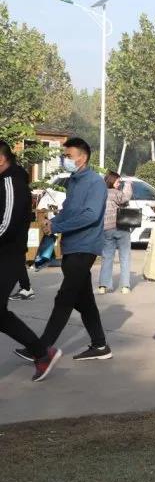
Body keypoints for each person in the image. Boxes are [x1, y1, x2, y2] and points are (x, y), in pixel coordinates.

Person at [35, 137, 113, 361]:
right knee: (84, 300)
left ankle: (41, 349)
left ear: (83, 157)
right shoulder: (73, 181)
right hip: (70, 246)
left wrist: (58, 226)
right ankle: (100, 345)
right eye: (64, 156)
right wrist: (52, 223)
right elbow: (68, 211)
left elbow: (91, 216)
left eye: (69, 156)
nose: (65, 159)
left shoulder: (95, 182)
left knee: (65, 297)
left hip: (85, 247)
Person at [0, 140, 61, 381]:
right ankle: (42, 353)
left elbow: (6, 224)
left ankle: (42, 353)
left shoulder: (11, 182)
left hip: (7, 256)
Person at [97, 171, 133, 295]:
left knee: (107, 257)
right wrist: (128, 185)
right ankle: (125, 286)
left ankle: (103, 285)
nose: (119, 184)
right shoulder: (116, 193)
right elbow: (126, 197)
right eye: (118, 181)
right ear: (112, 181)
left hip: (106, 229)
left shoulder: (101, 194)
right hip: (121, 228)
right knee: (125, 257)